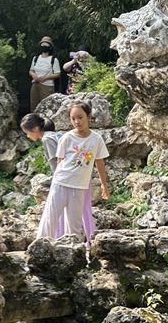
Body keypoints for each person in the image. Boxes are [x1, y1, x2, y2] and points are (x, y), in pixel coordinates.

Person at [36, 101, 109, 242]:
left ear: (88, 117)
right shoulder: (66, 138)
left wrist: (104, 185)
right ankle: (39, 246)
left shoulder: (96, 139)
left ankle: (73, 250)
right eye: (73, 118)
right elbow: (60, 160)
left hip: (80, 186)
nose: (77, 121)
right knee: (51, 217)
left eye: (80, 117)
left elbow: (99, 162)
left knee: (74, 223)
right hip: (61, 183)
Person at [29, 36, 61, 112]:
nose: (44, 46)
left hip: (47, 86)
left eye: (46, 45)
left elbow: (57, 74)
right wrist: (34, 75)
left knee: (46, 107)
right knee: (34, 106)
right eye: (42, 44)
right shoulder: (36, 58)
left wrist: (45, 77)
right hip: (35, 84)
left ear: (50, 47)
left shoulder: (54, 60)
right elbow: (31, 70)